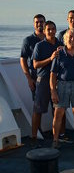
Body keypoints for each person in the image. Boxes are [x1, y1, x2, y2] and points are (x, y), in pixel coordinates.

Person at [50, 28, 74, 150]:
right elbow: (53, 75)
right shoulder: (59, 54)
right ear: (65, 39)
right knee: (58, 113)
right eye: (70, 37)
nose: (73, 39)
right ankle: (55, 140)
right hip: (62, 85)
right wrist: (53, 91)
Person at [32, 21, 62, 146]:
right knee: (38, 109)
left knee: (59, 109)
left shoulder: (61, 44)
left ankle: (60, 135)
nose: (51, 31)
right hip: (43, 80)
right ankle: (33, 137)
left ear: (55, 30)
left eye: (53, 29)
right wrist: (51, 58)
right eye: (48, 29)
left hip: (58, 80)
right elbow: (35, 65)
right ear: (44, 31)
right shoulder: (39, 45)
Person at [20, 14, 46, 148]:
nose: (39, 24)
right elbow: (23, 59)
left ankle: (57, 133)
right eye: (37, 22)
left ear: (45, 23)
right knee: (37, 108)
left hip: (52, 78)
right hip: (36, 78)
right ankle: (35, 136)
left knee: (56, 107)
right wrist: (28, 78)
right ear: (34, 24)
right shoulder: (28, 40)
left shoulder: (50, 39)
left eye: (41, 22)